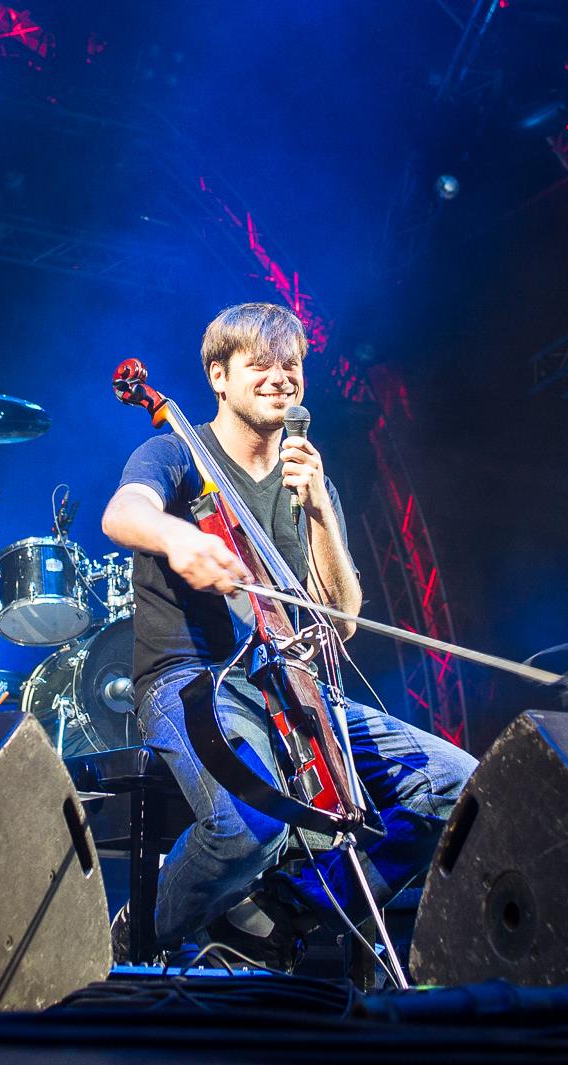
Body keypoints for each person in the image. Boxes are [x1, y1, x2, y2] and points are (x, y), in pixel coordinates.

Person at [101, 302, 477, 967]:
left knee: (459, 786)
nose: (280, 376)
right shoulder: (177, 450)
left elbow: (344, 618)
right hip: (191, 679)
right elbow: (122, 512)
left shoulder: (309, 479)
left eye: (291, 364)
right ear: (219, 376)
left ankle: (285, 908)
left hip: (285, 681)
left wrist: (323, 512)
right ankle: (147, 923)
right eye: (259, 364)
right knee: (251, 822)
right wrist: (178, 537)